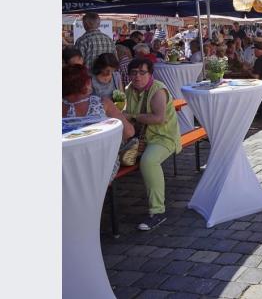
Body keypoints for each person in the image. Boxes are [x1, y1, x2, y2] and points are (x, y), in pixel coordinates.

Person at [124, 58, 182, 231]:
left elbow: (158, 119)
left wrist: (132, 116)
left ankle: (158, 212)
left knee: (148, 161)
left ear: (150, 74)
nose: (137, 76)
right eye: (133, 72)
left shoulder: (158, 90)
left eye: (142, 72)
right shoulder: (128, 90)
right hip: (141, 137)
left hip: (163, 137)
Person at [63, 64, 134, 141]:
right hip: (100, 150)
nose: (109, 73)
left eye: (112, 71)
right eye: (107, 70)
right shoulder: (101, 102)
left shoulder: (55, 107)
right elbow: (129, 132)